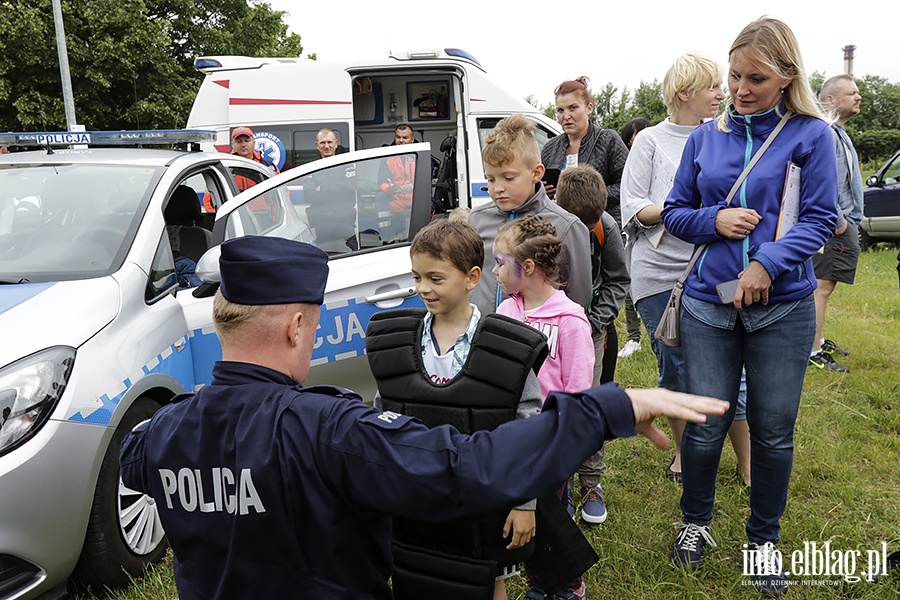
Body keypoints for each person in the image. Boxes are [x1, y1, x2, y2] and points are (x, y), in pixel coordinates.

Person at [118, 234, 729, 600]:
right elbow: (470, 466)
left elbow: (134, 457)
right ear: (297, 324)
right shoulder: (327, 430)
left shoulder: (165, 430)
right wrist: (606, 405)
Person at [661, 18, 838, 596]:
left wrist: (765, 263)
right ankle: (695, 524)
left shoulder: (812, 135)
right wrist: (712, 219)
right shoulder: (706, 136)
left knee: (772, 431)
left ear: (787, 76)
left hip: (782, 310)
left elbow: (820, 219)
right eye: (734, 75)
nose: (739, 88)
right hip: (710, 306)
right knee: (707, 425)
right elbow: (674, 211)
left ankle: (763, 543)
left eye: (755, 78)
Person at [366, 219, 544, 600]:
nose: (422, 288)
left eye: (435, 277)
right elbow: (384, 417)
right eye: (416, 277)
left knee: (488, 579)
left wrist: (525, 503)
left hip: (484, 499)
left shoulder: (504, 349)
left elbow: (528, 430)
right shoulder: (400, 344)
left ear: (471, 276)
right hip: (418, 497)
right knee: (418, 573)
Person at [620, 53, 751, 487]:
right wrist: (693, 215)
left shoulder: (730, 136)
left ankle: (750, 466)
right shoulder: (650, 141)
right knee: (675, 365)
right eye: (713, 85)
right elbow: (633, 207)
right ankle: (682, 455)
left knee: (735, 368)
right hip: (661, 276)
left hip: (718, 269)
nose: (723, 92)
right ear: (684, 93)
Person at [494, 215, 594, 600]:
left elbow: (579, 393)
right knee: (518, 520)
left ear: (529, 268)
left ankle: (567, 587)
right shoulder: (505, 313)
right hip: (512, 442)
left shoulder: (570, 322)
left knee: (550, 520)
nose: (495, 270)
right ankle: (540, 583)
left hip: (551, 447)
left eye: (501, 263)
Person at [555, 165, 629, 524]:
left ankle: (591, 483)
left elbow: (618, 279)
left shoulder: (606, 228)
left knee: (588, 403)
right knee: (553, 404)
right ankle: (558, 485)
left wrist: (594, 320)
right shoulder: (548, 226)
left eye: (588, 226)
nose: (581, 233)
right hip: (550, 331)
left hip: (590, 332)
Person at [469, 114, 592, 319]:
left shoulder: (567, 226)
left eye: (509, 178)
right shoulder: (476, 221)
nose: (498, 188)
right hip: (483, 341)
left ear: (537, 173)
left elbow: (578, 297)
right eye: (490, 179)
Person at [809, 74, 864, 373]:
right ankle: (813, 351)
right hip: (832, 225)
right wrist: (839, 222)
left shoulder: (838, 131)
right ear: (829, 100)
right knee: (820, 288)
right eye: (851, 93)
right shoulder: (826, 132)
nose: (858, 97)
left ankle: (819, 338)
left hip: (841, 222)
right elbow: (822, 182)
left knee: (825, 287)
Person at [540, 77, 629, 227]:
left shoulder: (608, 140)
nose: (566, 116)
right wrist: (542, 192)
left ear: (589, 108)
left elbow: (626, 186)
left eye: (573, 108)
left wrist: (587, 197)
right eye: (560, 110)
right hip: (561, 228)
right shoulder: (550, 148)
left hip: (603, 228)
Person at [616, 118, 651, 360]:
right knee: (629, 285)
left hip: (657, 236)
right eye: (632, 139)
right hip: (629, 231)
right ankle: (633, 338)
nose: (636, 143)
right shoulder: (625, 166)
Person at [375, 123, 418, 242]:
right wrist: (390, 189)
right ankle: (386, 238)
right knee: (379, 197)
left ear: (412, 139)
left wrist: (413, 186)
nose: (401, 140)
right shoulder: (388, 156)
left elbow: (427, 179)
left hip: (415, 198)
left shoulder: (420, 155)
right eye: (398, 137)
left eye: (405, 138)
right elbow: (381, 181)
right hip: (396, 198)